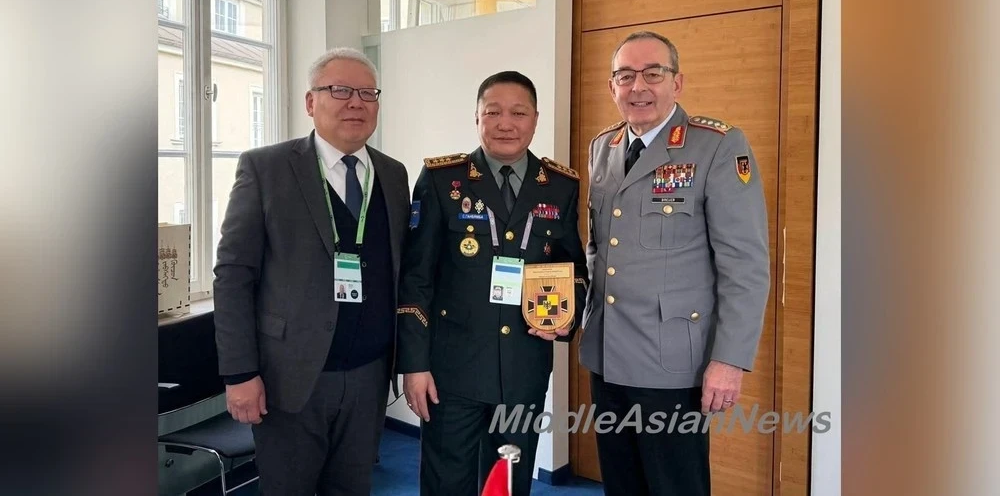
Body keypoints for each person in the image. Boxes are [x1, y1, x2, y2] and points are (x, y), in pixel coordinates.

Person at [579, 31, 771, 495]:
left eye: (653, 73)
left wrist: (729, 360)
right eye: (625, 76)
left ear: (677, 82)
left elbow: (745, 266)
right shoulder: (603, 147)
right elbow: (598, 248)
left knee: (675, 486)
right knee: (621, 484)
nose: (638, 87)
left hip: (673, 363)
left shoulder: (717, 146)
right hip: (607, 355)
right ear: (612, 86)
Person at [213, 47, 410, 496]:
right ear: (310, 102)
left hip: (369, 375)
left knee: (353, 488)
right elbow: (233, 276)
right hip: (291, 376)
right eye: (339, 90)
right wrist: (239, 373)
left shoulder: (393, 175)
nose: (355, 102)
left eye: (367, 93)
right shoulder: (266, 169)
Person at [396, 71, 589, 496]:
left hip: (523, 369)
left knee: (508, 484)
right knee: (446, 483)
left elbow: (573, 267)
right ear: (477, 117)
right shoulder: (442, 180)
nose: (506, 124)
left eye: (518, 113)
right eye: (493, 112)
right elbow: (416, 278)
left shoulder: (560, 186)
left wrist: (565, 317)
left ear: (535, 119)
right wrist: (414, 365)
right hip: (451, 372)